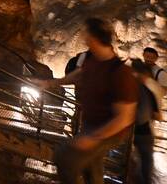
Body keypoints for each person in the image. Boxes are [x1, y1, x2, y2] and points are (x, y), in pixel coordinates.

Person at [36, 18, 138, 184]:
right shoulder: (93, 60)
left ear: (94, 37)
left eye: (85, 32)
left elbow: (124, 117)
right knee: (92, 168)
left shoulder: (121, 73)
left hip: (107, 129)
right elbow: (79, 75)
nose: (82, 35)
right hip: (91, 124)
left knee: (65, 158)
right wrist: (50, 83)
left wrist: (93, 138)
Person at [132, 59, 161, 184]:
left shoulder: (131, 86)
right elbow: (157, 115)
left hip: (131, 131)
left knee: (134, 162)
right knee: (145, 163)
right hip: (145, 131)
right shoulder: (150, 89)